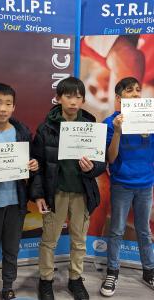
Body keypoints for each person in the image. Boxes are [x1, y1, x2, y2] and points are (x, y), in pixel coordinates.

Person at [30, 76, 106, 300]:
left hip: (82, 193)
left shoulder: (91, 126)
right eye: (68, 96)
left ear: (83, 100)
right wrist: (39, 195)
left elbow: (101, 163)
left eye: (78, 96)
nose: (73, 101)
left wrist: (92, 167)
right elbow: (37, 163)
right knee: (49, 240)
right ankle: (45, 280)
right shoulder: (46, 128)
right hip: (57, 193)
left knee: (79, 240)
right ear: (58, 98)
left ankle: (75, 279)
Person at [100, 77, 154, 297]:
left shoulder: (150, 120)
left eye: (138, 90)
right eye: (130, 90)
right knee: (116, 230)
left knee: (145, 230)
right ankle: (112, 271)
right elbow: (110, 159)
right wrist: (118, 132)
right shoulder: (110, 122)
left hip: (146, 184)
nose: (136, 94)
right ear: (119, 97)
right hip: (122, 184)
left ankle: (148, 271)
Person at [0, 82, 39, 300]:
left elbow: (32, 164)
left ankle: (8, 284)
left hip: (17, 203)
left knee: (11, 248)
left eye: (8, 104)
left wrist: (33, 165)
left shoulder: (23, 132)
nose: (3, 108)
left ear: (14, 107)